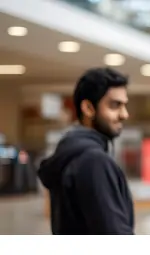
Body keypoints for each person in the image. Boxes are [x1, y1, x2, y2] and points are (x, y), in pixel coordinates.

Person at [38, 67, 134, 234]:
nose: (124, 114)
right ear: (88, 108)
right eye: (115, 105)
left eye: (124, 105)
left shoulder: (70, 154)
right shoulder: (93, 161)